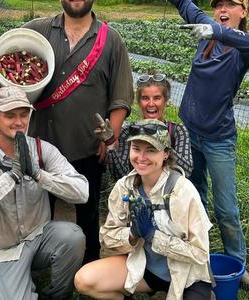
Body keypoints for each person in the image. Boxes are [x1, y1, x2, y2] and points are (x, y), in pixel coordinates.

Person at [23, 0, 134, 263]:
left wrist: (110, 137)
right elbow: (4, 54)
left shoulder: (110, 40)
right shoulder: (38, 30)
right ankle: (40, 260)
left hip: (88, 146)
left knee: (88, 209)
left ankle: (89, 261)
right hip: (43, 144)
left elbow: (120, 96)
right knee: (40, 210)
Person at [0, 86, 89, 299]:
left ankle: (56, 294)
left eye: (24, 114)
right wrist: (11, 177)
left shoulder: (42, 150)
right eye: (10, 115)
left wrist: (39, 175)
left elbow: (82, 192)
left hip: (37, 238)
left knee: (72, 237)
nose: (18, 122)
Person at [74, 119, 213, 300]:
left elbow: (200, 254)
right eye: (136, 149)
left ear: (165, 154)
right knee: (83, 280)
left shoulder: (182, 190)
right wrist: (132, 234)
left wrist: (154, 236)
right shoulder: (124, 187)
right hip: (146, 268)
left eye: (151, 150)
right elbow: (107, 236)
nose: (141, 157)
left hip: (187, 275)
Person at [169, 0, 249, 286]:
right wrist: (211, 29)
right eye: (218, 6)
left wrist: (214, 30)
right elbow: (184, 3)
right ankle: (198, 253)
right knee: (195, 195)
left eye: (231, 4)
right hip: (190, 130)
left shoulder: (242, 49)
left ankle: (237, 263)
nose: (223, 9)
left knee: (226, 206)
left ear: (244, 12)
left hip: (219, 138)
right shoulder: (208, 32)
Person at [99, 73, 192, 181]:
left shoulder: (177, 131)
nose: (151, 104)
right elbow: (120, 175)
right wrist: (110, 143)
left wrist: (161, 141)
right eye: (145, 98)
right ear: (139, 102)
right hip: (136, 194)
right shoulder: (128, 131)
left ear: (166, 101)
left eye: (157, 98)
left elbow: (187, 170)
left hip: (168, 193)